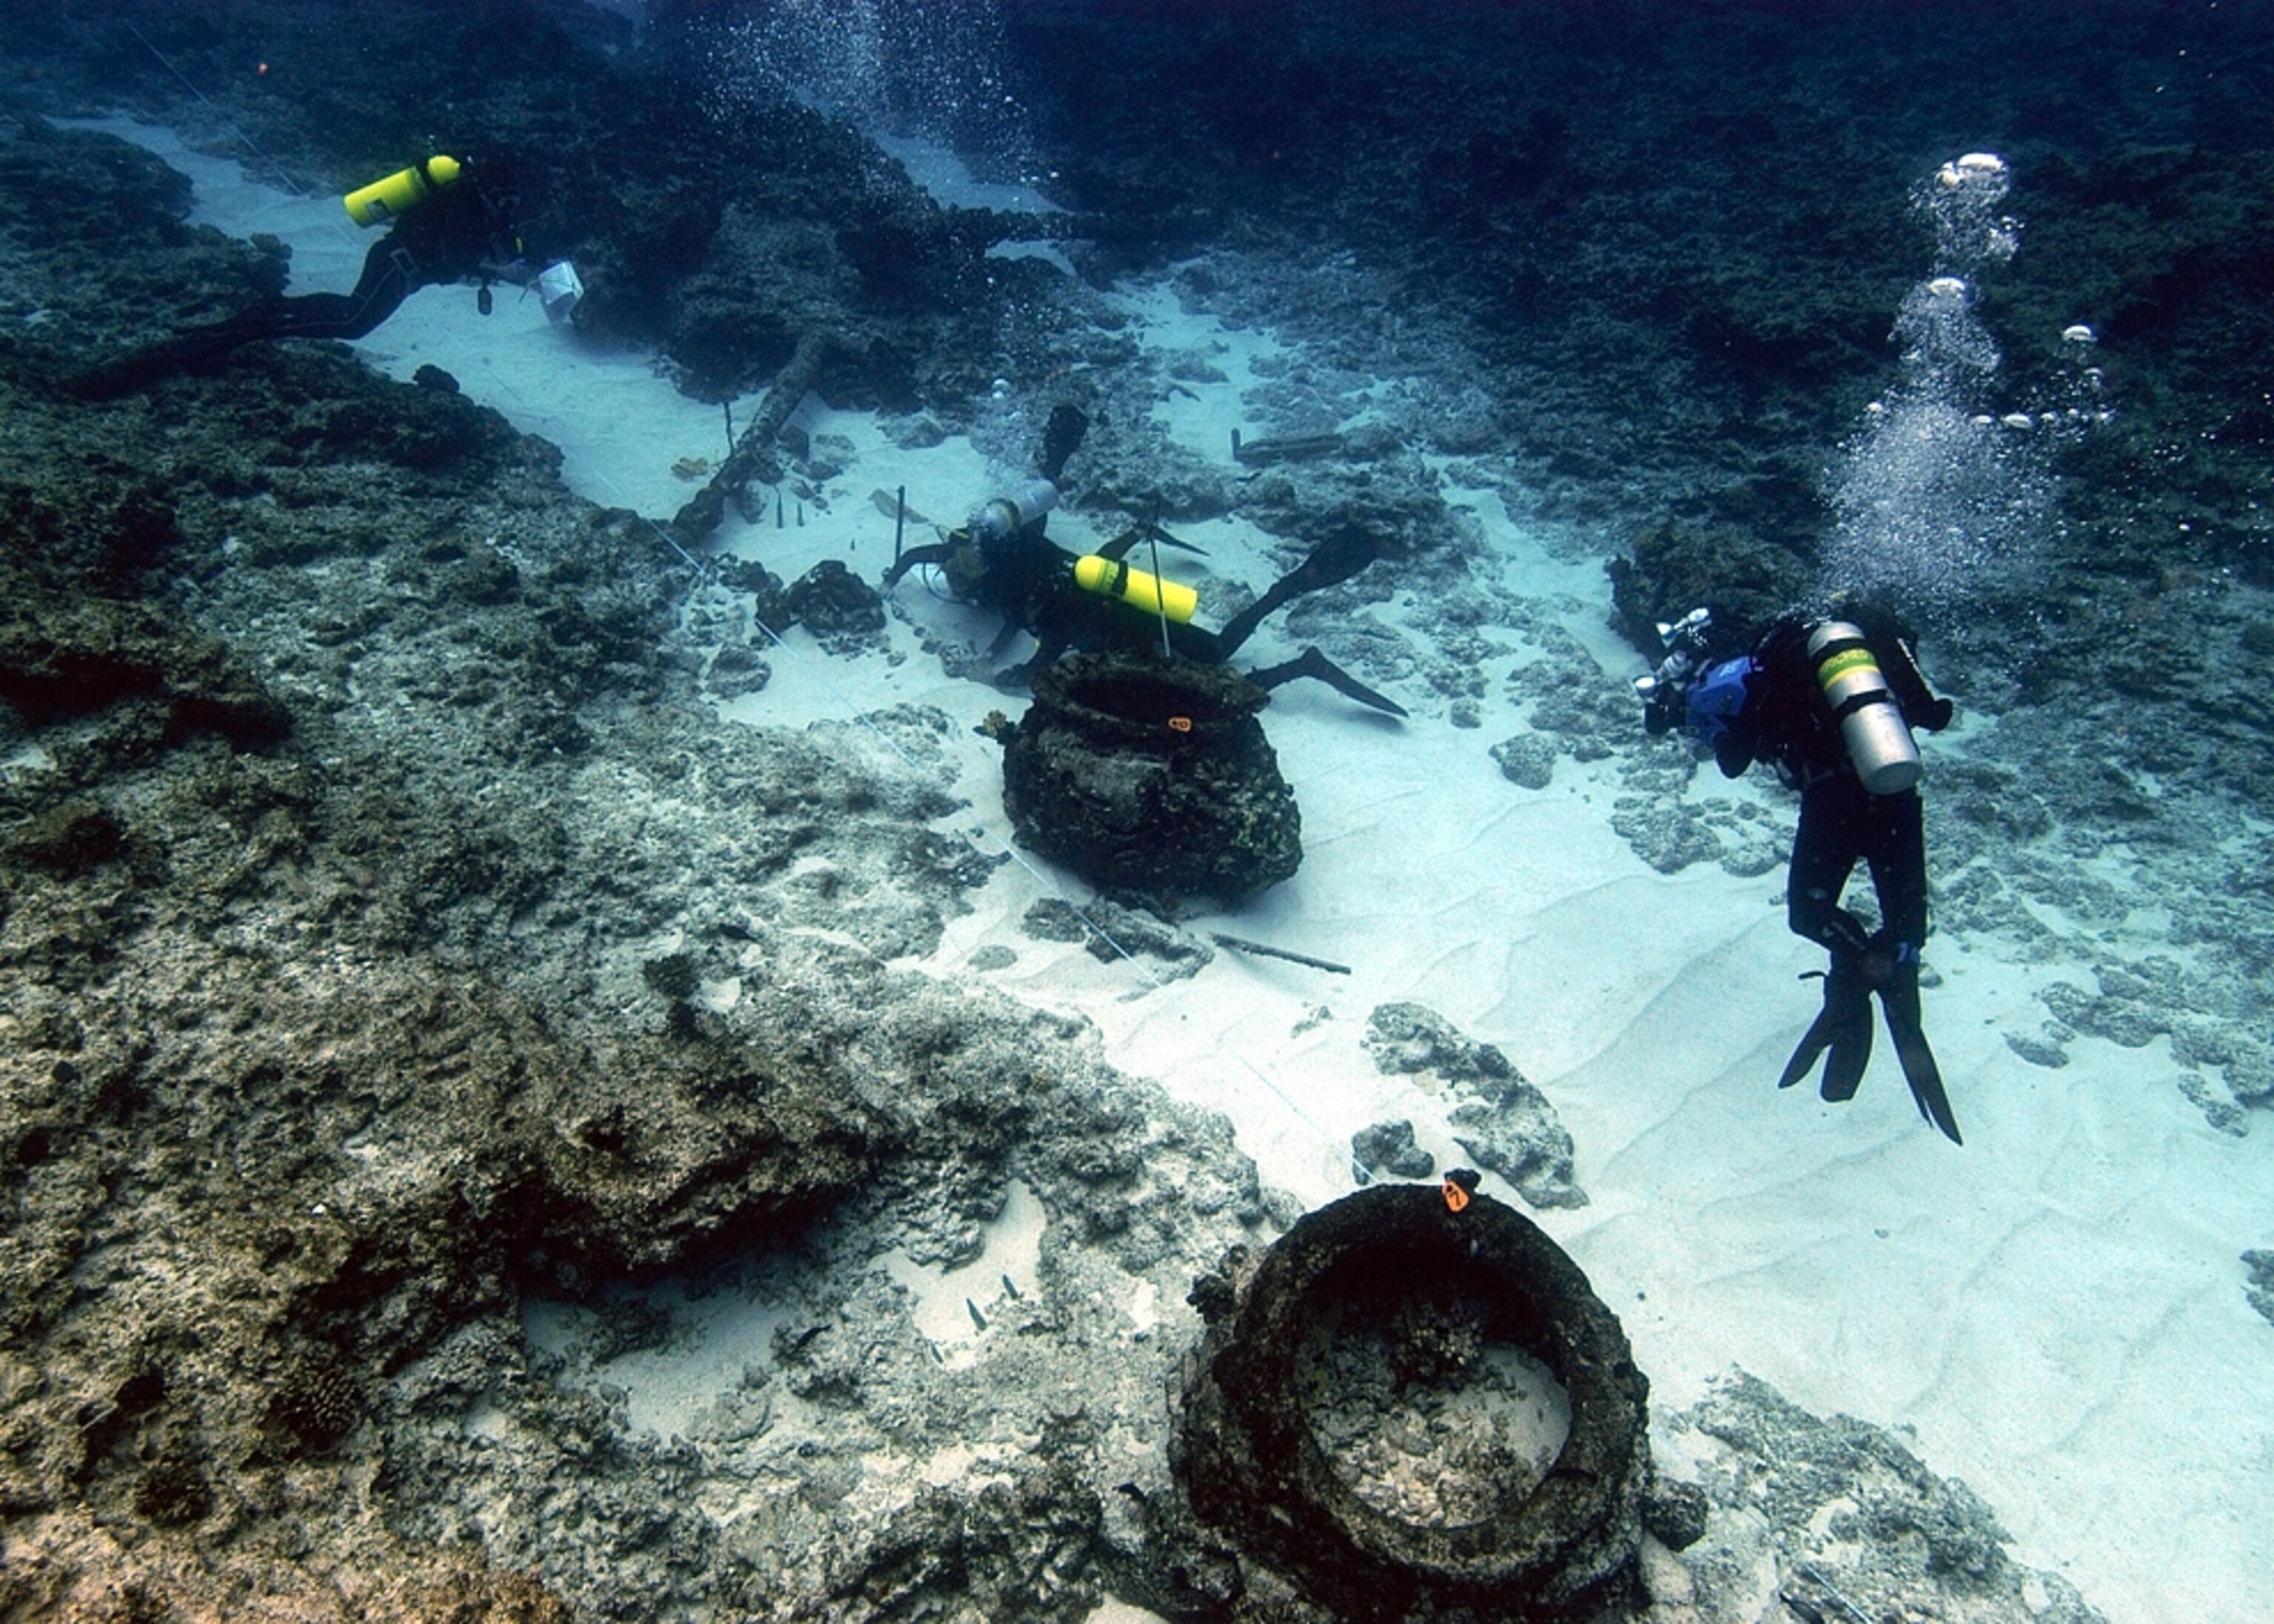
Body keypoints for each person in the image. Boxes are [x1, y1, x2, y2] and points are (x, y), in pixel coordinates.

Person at [1639, 600, 1962, 1143]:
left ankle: (1856, 970)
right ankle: (1893, 965)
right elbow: (1933, 715)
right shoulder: (1853, 654)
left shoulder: (1737, 674)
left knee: (1809, 914)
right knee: (1907, 929)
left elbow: (1734, 760)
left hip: (1834, 800)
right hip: (1896, 794)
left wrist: (1695, 717)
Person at [881, 405, 1407, 717]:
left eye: (959, 570)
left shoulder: (1029, 597)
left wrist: (1004, 675)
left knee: (1215, 660)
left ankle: (1300, 645)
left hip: (1124, 622)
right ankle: (1065, 463)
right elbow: (919, 555)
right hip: (1083, 578)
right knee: (1042, 505)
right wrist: (892, 579)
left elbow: (1047, 651)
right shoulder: (996, 547)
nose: (953, 570)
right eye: (955, 567)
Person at [73, 152, 570, 398]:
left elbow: (495, 246)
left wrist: (529, 265)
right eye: (513, 197)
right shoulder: (464, 201)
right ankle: (255, 326)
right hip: (398, 265)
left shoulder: (478, 206)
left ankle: (263, 318)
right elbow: (458, 253)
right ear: (497, 187)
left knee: (349, 315)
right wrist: (503, 270)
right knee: (353, 320)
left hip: (402, 267)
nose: (514, 206)